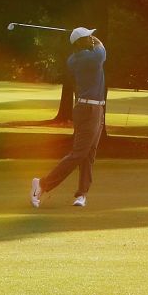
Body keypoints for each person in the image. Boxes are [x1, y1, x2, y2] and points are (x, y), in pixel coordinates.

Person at [31, 27, 106, 209]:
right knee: (79, 153)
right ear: (82, 42)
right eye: (88, 36)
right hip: (88, 109)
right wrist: (95, 38)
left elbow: (94, 49)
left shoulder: (74, 59)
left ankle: (81, 194)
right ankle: (42, 184)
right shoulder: (89, 58)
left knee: (89, 154)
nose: (91, 38)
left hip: (94, 109)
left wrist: (88, 37)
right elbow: (102, 51)